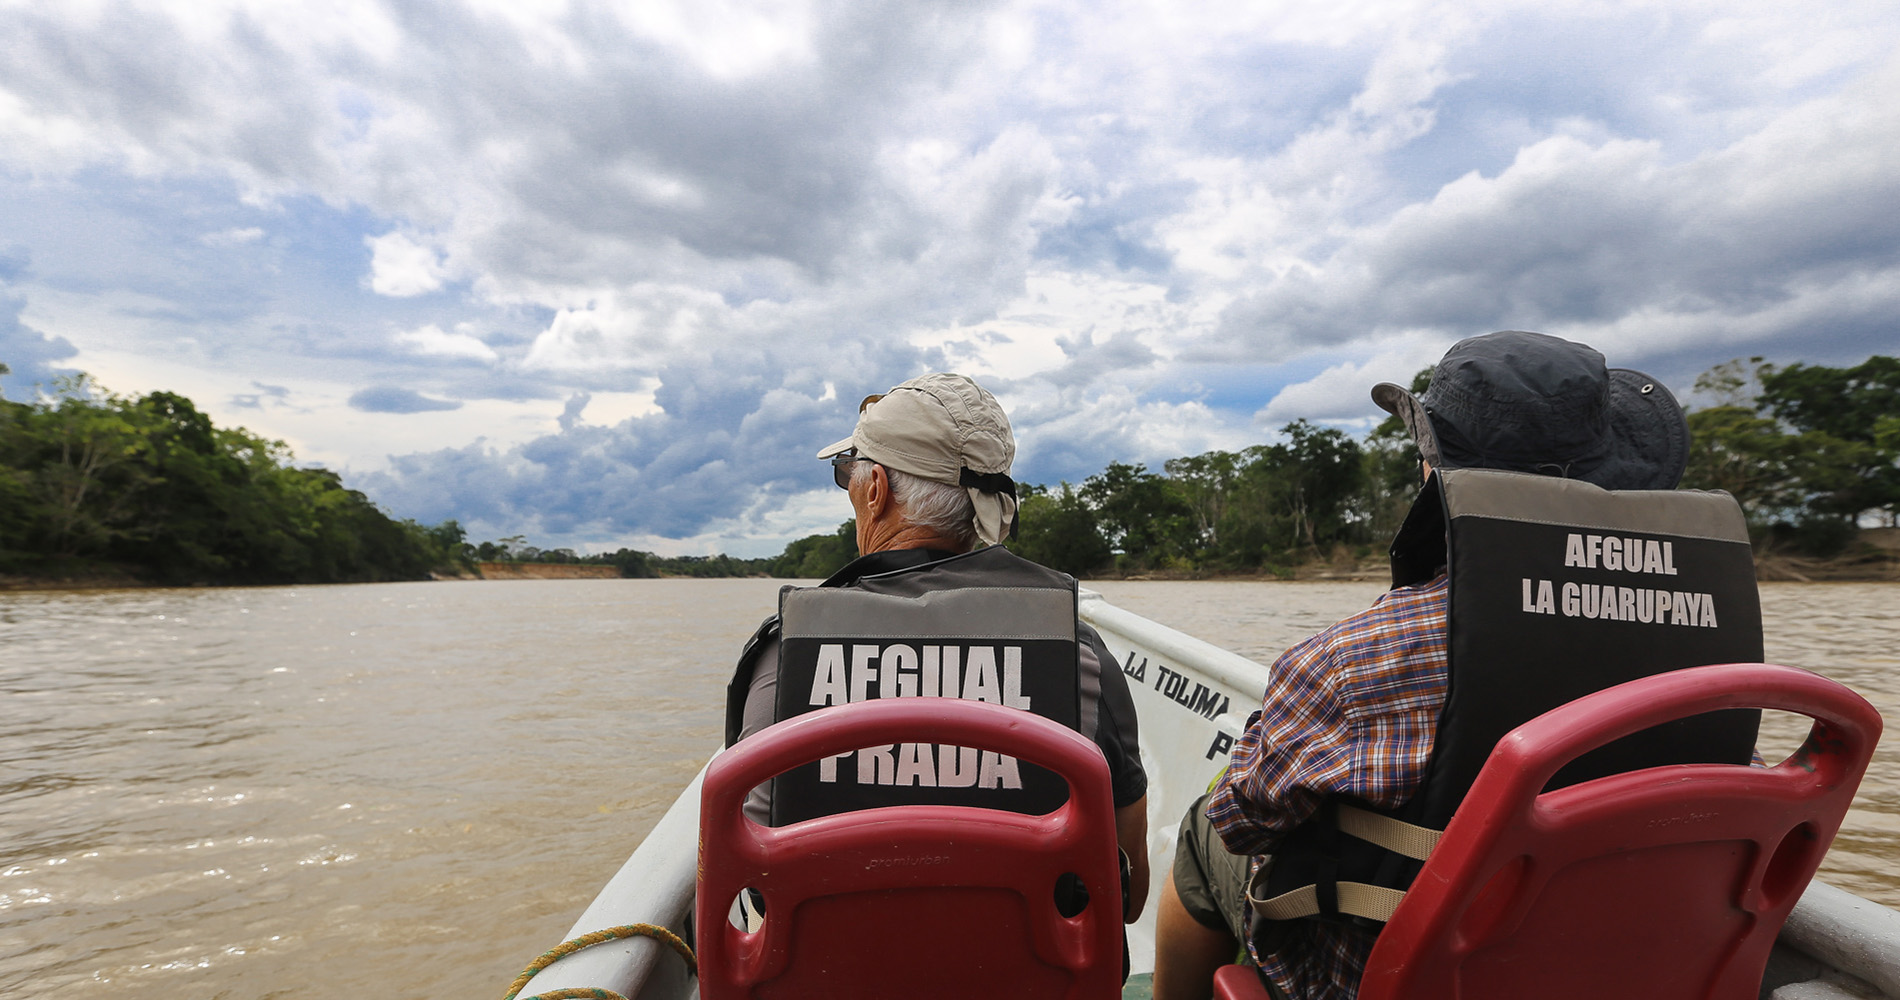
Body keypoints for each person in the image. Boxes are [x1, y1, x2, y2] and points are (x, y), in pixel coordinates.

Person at [1155, 331, 1762, 1000]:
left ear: (1431, 470)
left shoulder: (1352, 660)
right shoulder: (1713, 668)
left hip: (1387, 981)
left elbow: (1241, 821)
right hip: (1619, 975)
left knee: (1198, 829)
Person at [722, 371, 1151, 923]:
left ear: (874, 489)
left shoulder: (785, 656)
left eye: (845, 474)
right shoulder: (1079, 655)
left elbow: (755, 887)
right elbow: (1128, 897)